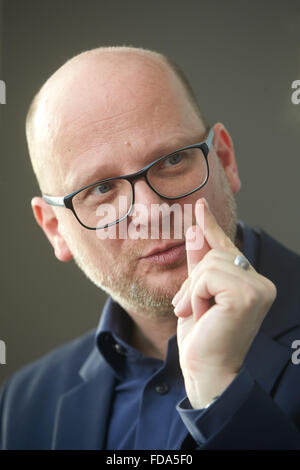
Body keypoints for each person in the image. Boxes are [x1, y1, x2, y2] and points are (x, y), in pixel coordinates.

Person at [1, 46, 300, 451]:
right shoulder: (21, 406)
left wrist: (221, 398)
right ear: (55, 228)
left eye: (173, 160)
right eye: (101, 189)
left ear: (225, 160)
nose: (152, 212)